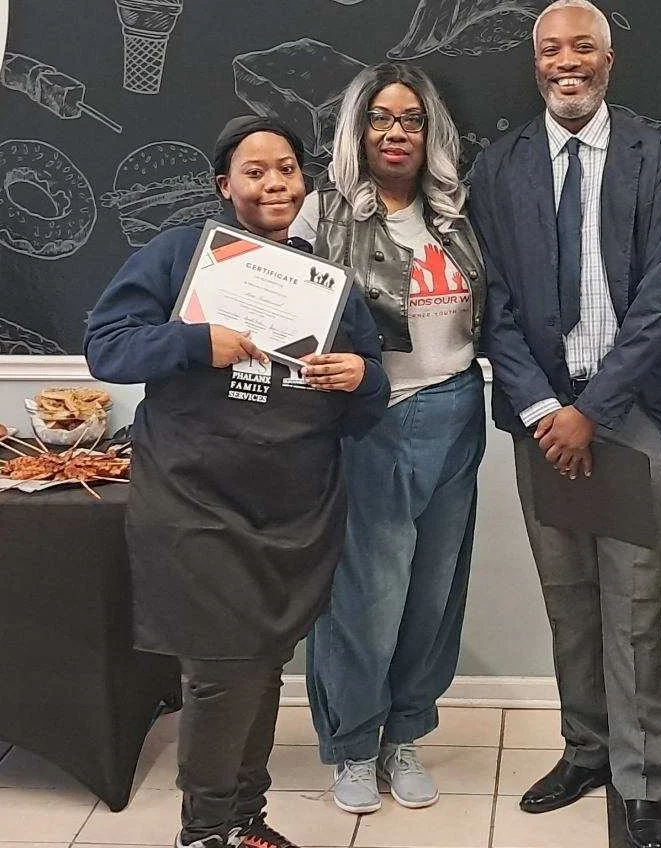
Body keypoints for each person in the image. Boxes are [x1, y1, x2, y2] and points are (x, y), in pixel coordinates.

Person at [84, 115, 389, 848]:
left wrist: (359, 377)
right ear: (224, 184)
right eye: (254, 171)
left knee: (262, 665)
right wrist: (197, 342)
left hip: (292, 506)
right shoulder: (178, 254)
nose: (273, 183)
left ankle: (245, 821)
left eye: (285, 168)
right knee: (224, 672)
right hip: (196, 500)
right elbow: (107, 347)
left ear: (303, 180)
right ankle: (207, 831)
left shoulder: (324, 280)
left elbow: (368, 393)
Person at [468, 2, 661, 846]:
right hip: (540, 420)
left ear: (608, 61)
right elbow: (493, 306)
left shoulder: (656, 154)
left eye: (583, 47)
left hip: (623, 414)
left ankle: (639, 782)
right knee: (567, 599)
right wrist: (542, 412)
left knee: (632, 605)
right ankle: (585, 750)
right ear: (534, 64)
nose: (567, 61)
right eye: (551, 49)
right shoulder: (502, 164)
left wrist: (590, 415)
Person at [289, 62, 487, 814]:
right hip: (373, 423)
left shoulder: (455, 211)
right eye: (381, 117)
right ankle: (351, 745)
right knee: (365, 601)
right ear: (358, 128)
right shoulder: (323, 211)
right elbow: (292, 326)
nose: (396, 132)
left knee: (432, 597)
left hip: (456, 411)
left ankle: (405, 735)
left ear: (430, 130)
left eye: (411, 119)